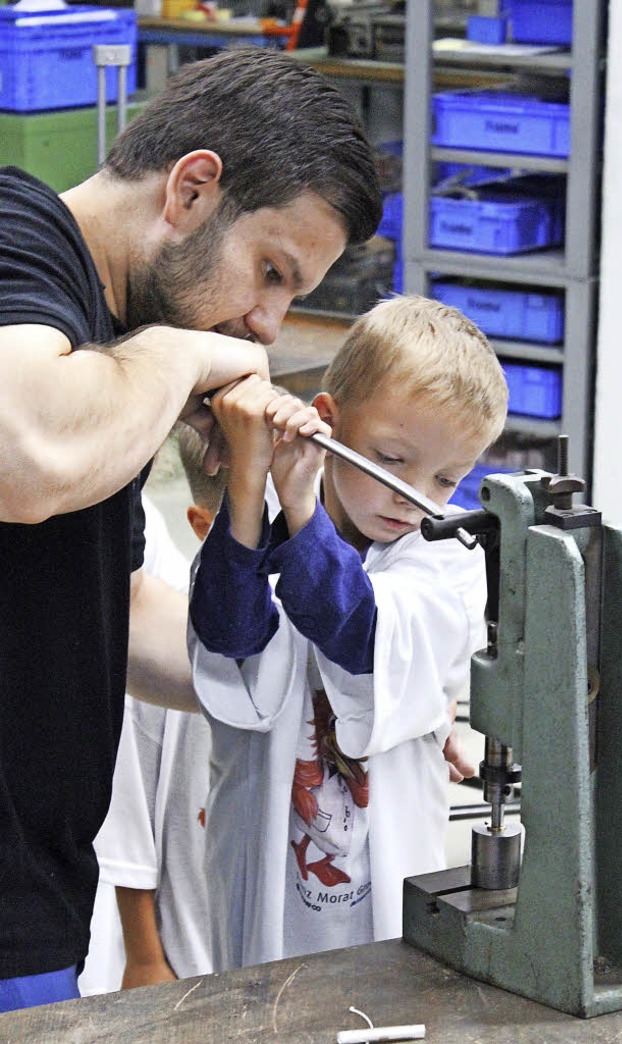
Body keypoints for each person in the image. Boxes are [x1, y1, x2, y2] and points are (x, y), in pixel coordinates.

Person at [0, 46, 381, 1011]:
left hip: (34, 905)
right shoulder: (16, 237)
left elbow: (113, 613)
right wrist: (178, 351)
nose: (265, 327)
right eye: (270, 272)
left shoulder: (111, 355)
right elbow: (23, 451)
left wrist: (330, 688)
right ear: (193, 189)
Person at [187, 294, 508, 970]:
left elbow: (358, 630)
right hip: (260, 888)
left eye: (447, 478)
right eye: (391, 458)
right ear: (327, 425)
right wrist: (252, 479)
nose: (411, 494)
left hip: (385, 902)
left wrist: (303, 506)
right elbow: (228, 637)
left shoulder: (447, 563)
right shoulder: (265, 525)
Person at [83, 439, 225, 995]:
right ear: (201, 523)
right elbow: (127, 787)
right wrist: (144, 951)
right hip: (186, 950)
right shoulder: (165, 617)